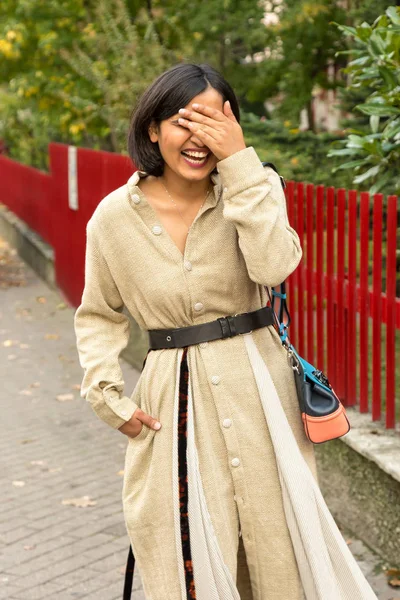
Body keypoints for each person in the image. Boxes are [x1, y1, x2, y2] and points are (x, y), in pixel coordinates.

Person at [73, 63, 378, 600]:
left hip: (259, 387)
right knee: (186, 544)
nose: (199, 140)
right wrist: (107, 396)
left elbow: (274, 267)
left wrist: (241, 166)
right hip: (173, 401)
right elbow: (99, 313)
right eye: (185, 122)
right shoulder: (113, 219)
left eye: (214, 122)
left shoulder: (255, 189)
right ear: (153, 129)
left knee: (279, 541)